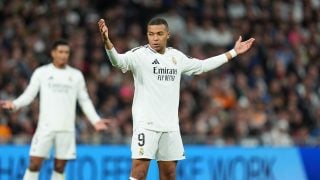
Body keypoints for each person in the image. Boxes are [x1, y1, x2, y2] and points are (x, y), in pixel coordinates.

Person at [98, 17, 255, 180]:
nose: (155, 38)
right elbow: (117, 61)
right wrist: (107, 42)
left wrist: (234, 52)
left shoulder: (176, 57)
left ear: (168, 35)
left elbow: (202, 66)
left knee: (169, 174)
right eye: (151, 34)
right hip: (146, 124)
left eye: (159, 34)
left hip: (170, 126)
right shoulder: (139, 55)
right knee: (139, 172)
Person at [0, 40, 111, 180]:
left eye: (66, 52)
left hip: (66, 128)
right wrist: (15, 104)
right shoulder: (42, 72)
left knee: (59, 167)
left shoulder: (76, 75)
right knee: (34, 164)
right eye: (60, 52)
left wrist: (95, 120)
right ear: (53, 53)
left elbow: (84, 100)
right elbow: (29, 94)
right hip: (45, 127)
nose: (63, 55)